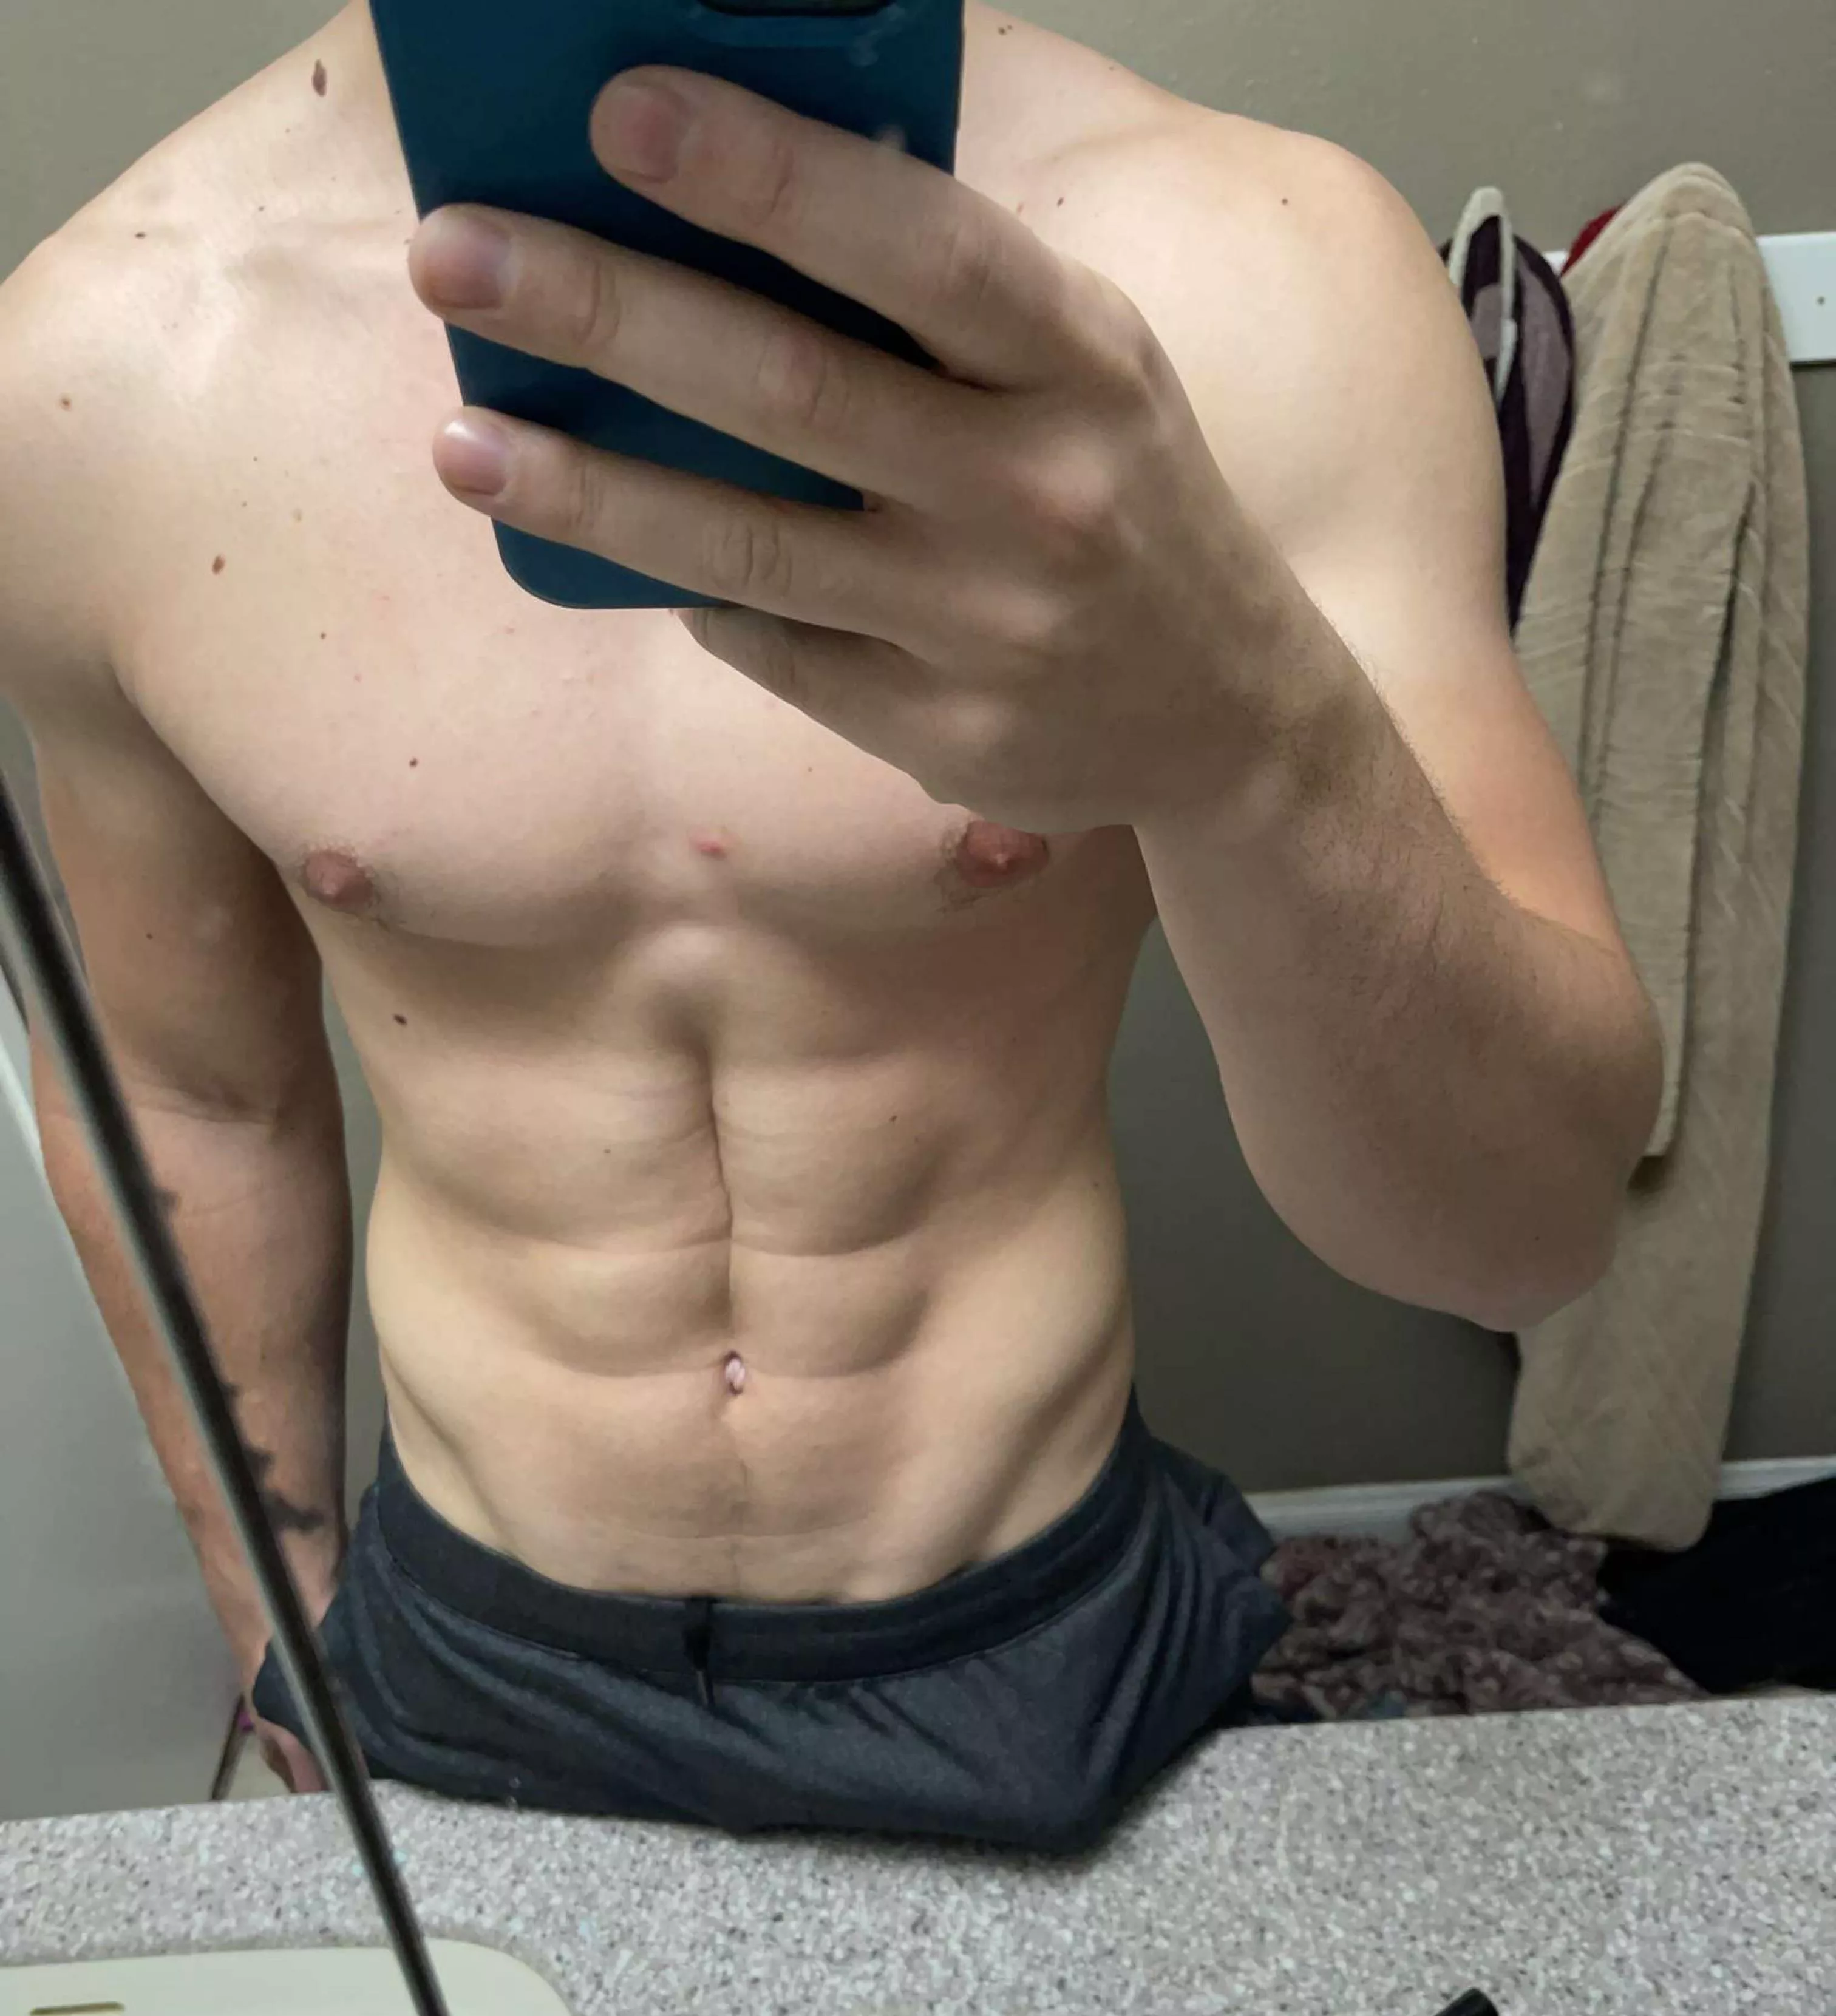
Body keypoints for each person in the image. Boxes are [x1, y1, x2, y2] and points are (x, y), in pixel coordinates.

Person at [0, 5, 1660, 1847]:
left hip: (1036, 1621)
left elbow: (1528, 1234)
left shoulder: (1255, 274)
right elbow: (189, 1101)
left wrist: (1247, 743)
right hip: (463, 1639)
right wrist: (274, 1615)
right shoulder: (106, 367)